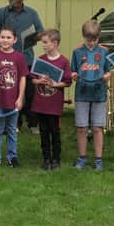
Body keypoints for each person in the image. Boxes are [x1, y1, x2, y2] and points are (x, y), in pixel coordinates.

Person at [0, 0, 43, 134]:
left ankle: (32, 123)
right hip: (5, 61)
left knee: (28, 91)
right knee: (9, 89)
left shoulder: (31, 13)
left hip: (25, 58)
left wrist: (32, 38)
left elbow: (41, 32)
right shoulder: (3, 12)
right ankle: (15, 124)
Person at [0, 26, 29, 169]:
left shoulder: (19, 57)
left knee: (11, 129)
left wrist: (20, 98)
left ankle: (12, 157)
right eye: (2, 37)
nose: (5, 40)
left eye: (9, 37)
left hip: (13, 100)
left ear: (14, 40)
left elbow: (22, 79)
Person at [71, 21, 111, 171]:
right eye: (89, 39)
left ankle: (99, 159)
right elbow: (73, 71)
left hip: (98, 93)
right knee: (81, 127)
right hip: (82, 93)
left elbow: (108, 70)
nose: (92, 42)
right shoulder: (77, 52)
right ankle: (82, 158)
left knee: (97, 127)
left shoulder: (104, 52)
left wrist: (107, 75)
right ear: (84, 37)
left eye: (95, 39)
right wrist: (74, 75)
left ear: (99, 37)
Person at [30, 29, 72, 170]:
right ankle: (46, 158)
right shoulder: (40, 60)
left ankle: (56, 159)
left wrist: (55, 84)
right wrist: (40, 80)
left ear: (55, 43)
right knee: (43, 131)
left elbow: (67, 81)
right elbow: (33, 80)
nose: (43, 45)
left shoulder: (63, 61)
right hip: (40, 102)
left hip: (54, 103)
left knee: (54, 130)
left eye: (45, 42)